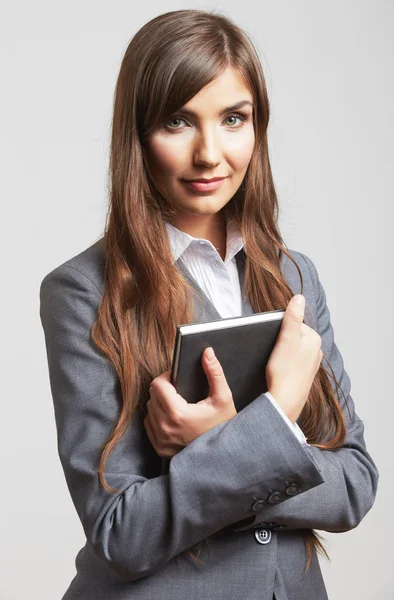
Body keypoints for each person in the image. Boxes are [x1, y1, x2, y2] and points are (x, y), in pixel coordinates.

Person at [39, 9, 379, 600]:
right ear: (138, 135)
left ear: (257, 126)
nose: (210, 154)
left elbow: (354, 484)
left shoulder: (296, 276)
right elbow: (121, 531)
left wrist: (222, 436)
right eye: (178, 121)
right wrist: (270, 430)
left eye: (233, 119)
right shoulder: (82, 291)